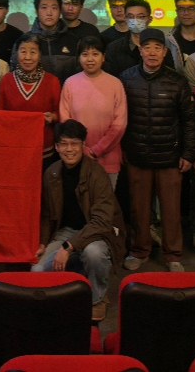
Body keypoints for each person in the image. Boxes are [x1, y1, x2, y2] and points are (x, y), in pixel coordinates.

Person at [120, 28, 195, 272]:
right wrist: (123, 148)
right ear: (140, 51)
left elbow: (189, 120)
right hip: (137, 155)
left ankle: (173, 255)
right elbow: (120, 117)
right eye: (147, 47)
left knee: (171, 210)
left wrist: (188, 153)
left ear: (165, 52)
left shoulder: (177, 81)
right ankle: (139, 251)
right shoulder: (126, 78)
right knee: (139, 209)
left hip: (169, 157)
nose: (152, 52)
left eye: (157, 48)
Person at [34, 119, 126, 322]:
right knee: (37, 270)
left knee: (94, 254)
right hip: (66, 232)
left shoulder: (97, 174)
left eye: (74, 144)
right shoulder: (52, 173)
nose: (69, 149)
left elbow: (102, 221)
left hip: (97, 232)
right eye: (64, 144)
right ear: (56, 147)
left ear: (83, 145)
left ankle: (97, 298)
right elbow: (47, 214)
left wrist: (68, 247)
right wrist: (43, 242)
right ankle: (77, 276)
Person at [59, 37, 127, 187]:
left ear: (103, 57)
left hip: (108, 159)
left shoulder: (115, 84)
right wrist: (81, 149)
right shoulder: (70, 83)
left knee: (104, 200)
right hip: (76, 157)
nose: (90, 59)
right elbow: (65, 121)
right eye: (85, 54)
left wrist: (97, 150)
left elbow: (119, 124)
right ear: (79, 58)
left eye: (95, 54)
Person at [0, 33, 63, 170]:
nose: (27, 57)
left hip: (43, 150)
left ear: (39, 56)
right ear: (17, 54)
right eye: (23, 52)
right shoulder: (6, 81)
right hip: (14, 148)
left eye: (33, 52)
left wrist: (52, 117)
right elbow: (0, 115)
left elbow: (59, 112)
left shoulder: (52, 81)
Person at [106, 0, 180, 76]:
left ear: (149, 19)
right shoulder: (114, 48)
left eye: (140, 17)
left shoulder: (162, 47)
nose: (135, 21)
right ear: (125, 19)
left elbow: (170, 76)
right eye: (131, 17)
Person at [25, 0, 79, 80]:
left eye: (54, 8)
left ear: (60, 11)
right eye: (44, 8)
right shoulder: (25, 41)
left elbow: (80, 75)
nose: (49, 13)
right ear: (36, 11)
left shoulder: (73, 41)